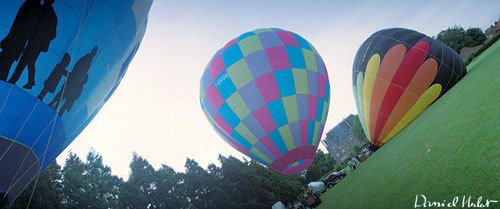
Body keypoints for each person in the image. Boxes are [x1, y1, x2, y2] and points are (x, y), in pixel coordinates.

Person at [8, 0, 58, 89]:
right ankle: (30, 82)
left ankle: (14, 80)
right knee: (29, 62)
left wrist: (41, 38)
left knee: (25, 61)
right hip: (32, 41)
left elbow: (53, 34)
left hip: (35, 43)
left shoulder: (50, 14)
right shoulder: (46, 12)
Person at [0, 0, 41, 80]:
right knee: (5, 62)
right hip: (15, 42)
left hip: (15, 42)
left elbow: (21, 25)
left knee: (5, 62)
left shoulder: (33, 6)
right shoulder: (34, 5)